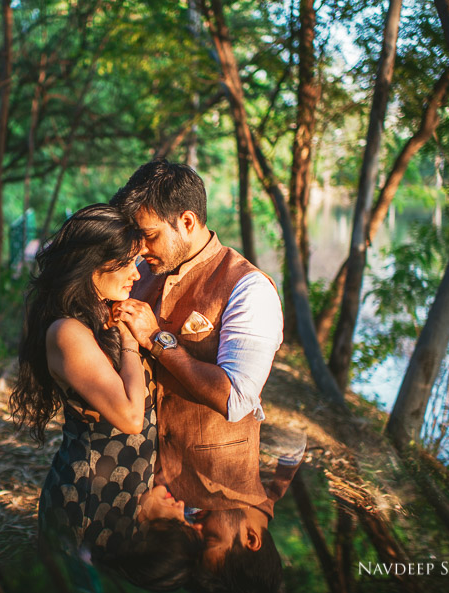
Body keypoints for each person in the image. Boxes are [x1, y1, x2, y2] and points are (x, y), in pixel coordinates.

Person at [110, 158, 285, 591]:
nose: (141, 248)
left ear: (186, 221)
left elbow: (236, 398)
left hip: (218, 486)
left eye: (149, 235)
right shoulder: (143, 272)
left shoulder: (249, 288)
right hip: (146, 485)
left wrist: (156, 339)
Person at [9, 203, 200, 590]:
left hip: (125, 495)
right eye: (127, 262)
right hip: (88, 502)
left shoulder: (104, 315)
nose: (137, 272)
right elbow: (130, 416)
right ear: (93, 266)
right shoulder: (67, 332)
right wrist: (132, 339)